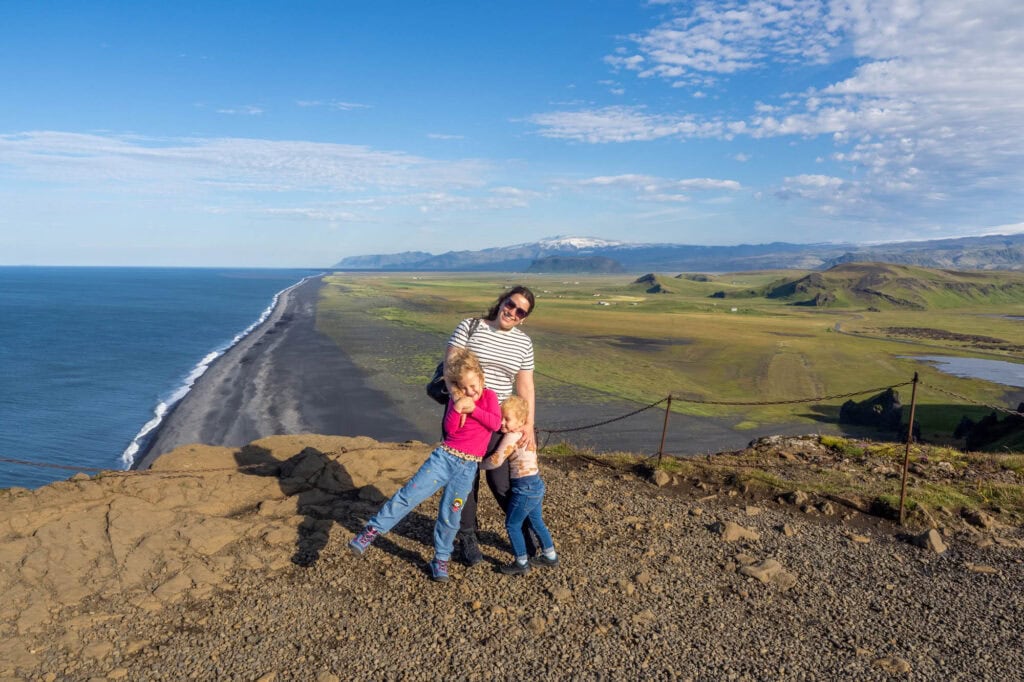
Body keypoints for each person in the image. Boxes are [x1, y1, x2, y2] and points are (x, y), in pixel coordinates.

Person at [349, 349, 501, 582]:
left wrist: (474, 409)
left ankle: (441, 558)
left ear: (481, 378)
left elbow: (494, 423)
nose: (471, 391)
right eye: (466, 387)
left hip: (467, 467)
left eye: (474, 385)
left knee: (451, 513)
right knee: (409, 495)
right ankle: (371, 531)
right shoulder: (456, 399)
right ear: (458, 386)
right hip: (444, 458)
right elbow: (450, 430)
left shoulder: (489, 397)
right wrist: (458, 405)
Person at [444, 285, 537, 566]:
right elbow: (450, 368)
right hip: (465, 418)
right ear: (501, 302)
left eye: (521, 311)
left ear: (524, 318)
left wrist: (529, 425)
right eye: (511, 304)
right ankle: (468, 538)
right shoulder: (470, 327)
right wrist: (462, 403)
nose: (512, 312)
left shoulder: (524, 343)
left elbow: (525, 386)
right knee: (464, 480)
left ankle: (520, 528)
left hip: (500, 420)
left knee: (500, 480)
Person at [480, 395, 558, 575]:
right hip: (536, 484)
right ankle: (550, 555)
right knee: (537, 521)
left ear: (521, 420)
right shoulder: (527, 434)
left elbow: (496, 460)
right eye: (501, 418)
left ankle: (521, 561)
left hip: (524, 488)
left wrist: (476, 465)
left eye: (507, 419)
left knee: (512, 525)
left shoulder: (512, 436)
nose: (502, 423)